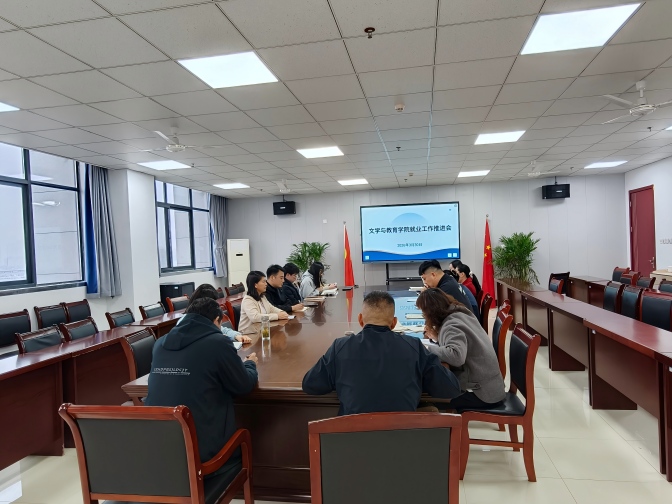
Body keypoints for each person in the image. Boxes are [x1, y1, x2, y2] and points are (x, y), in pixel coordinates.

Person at [145, 298, 259, 483]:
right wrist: (250, 365)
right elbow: (243, 385)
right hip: (204, 457)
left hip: (158, 450)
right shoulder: (218, 342)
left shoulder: (160, 343)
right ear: (216, 320)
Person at [302, 291, 462, 415]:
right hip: (403, 440)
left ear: (360, 320)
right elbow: (450, 388)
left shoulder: (340, 347)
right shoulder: (414, 347)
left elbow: (310, 384)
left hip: (352, 441)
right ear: (394, 323)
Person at [416, 288, 505, 411]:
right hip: (492, 387)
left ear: (432, 312)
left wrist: (425, 349)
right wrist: (437, 337)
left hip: (480, 393)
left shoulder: (452, 325)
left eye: (424, 313)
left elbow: (456, 356)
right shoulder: (460, 314)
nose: (424, 317)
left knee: (423, 400)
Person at [179, 283, 251, 343]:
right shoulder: (184, 321)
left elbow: (222, 329)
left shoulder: (206, 316)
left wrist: (236, 336)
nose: (215, 305)